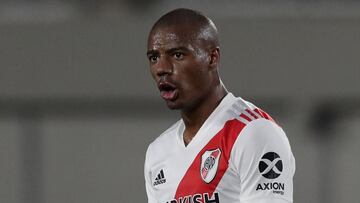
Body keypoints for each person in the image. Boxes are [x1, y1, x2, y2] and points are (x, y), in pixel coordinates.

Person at [144, 8, 295, 203]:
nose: (161, 68)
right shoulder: (157, 152)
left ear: (212, 58)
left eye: (177, 55)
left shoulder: (253, 132)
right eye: (154, 58)